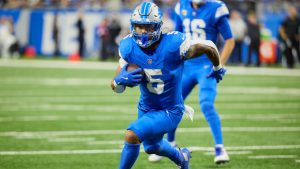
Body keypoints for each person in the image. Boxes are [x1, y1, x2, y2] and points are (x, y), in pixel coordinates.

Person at [111, 2, 226, 169]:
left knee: (132, 135)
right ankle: (181, 157)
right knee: (152, 147)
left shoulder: (173, 45)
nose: (143, 32)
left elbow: (209, 46)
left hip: (170, 110)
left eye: (148, 27)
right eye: (139, 27)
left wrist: (217, 68)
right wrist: (119, 81)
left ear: (158, 27)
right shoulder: (128, 47)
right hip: (145, 107)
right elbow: (116, 87)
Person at [148, 0, 235, 164]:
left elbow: (230, 40)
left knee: (207, 104)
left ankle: (220, 148)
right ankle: (169, 144)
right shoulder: (182, 6)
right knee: (170, 105)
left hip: (206, 66)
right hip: (186, 66)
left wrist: (219, 65)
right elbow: (176, 37)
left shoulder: (216, 8)